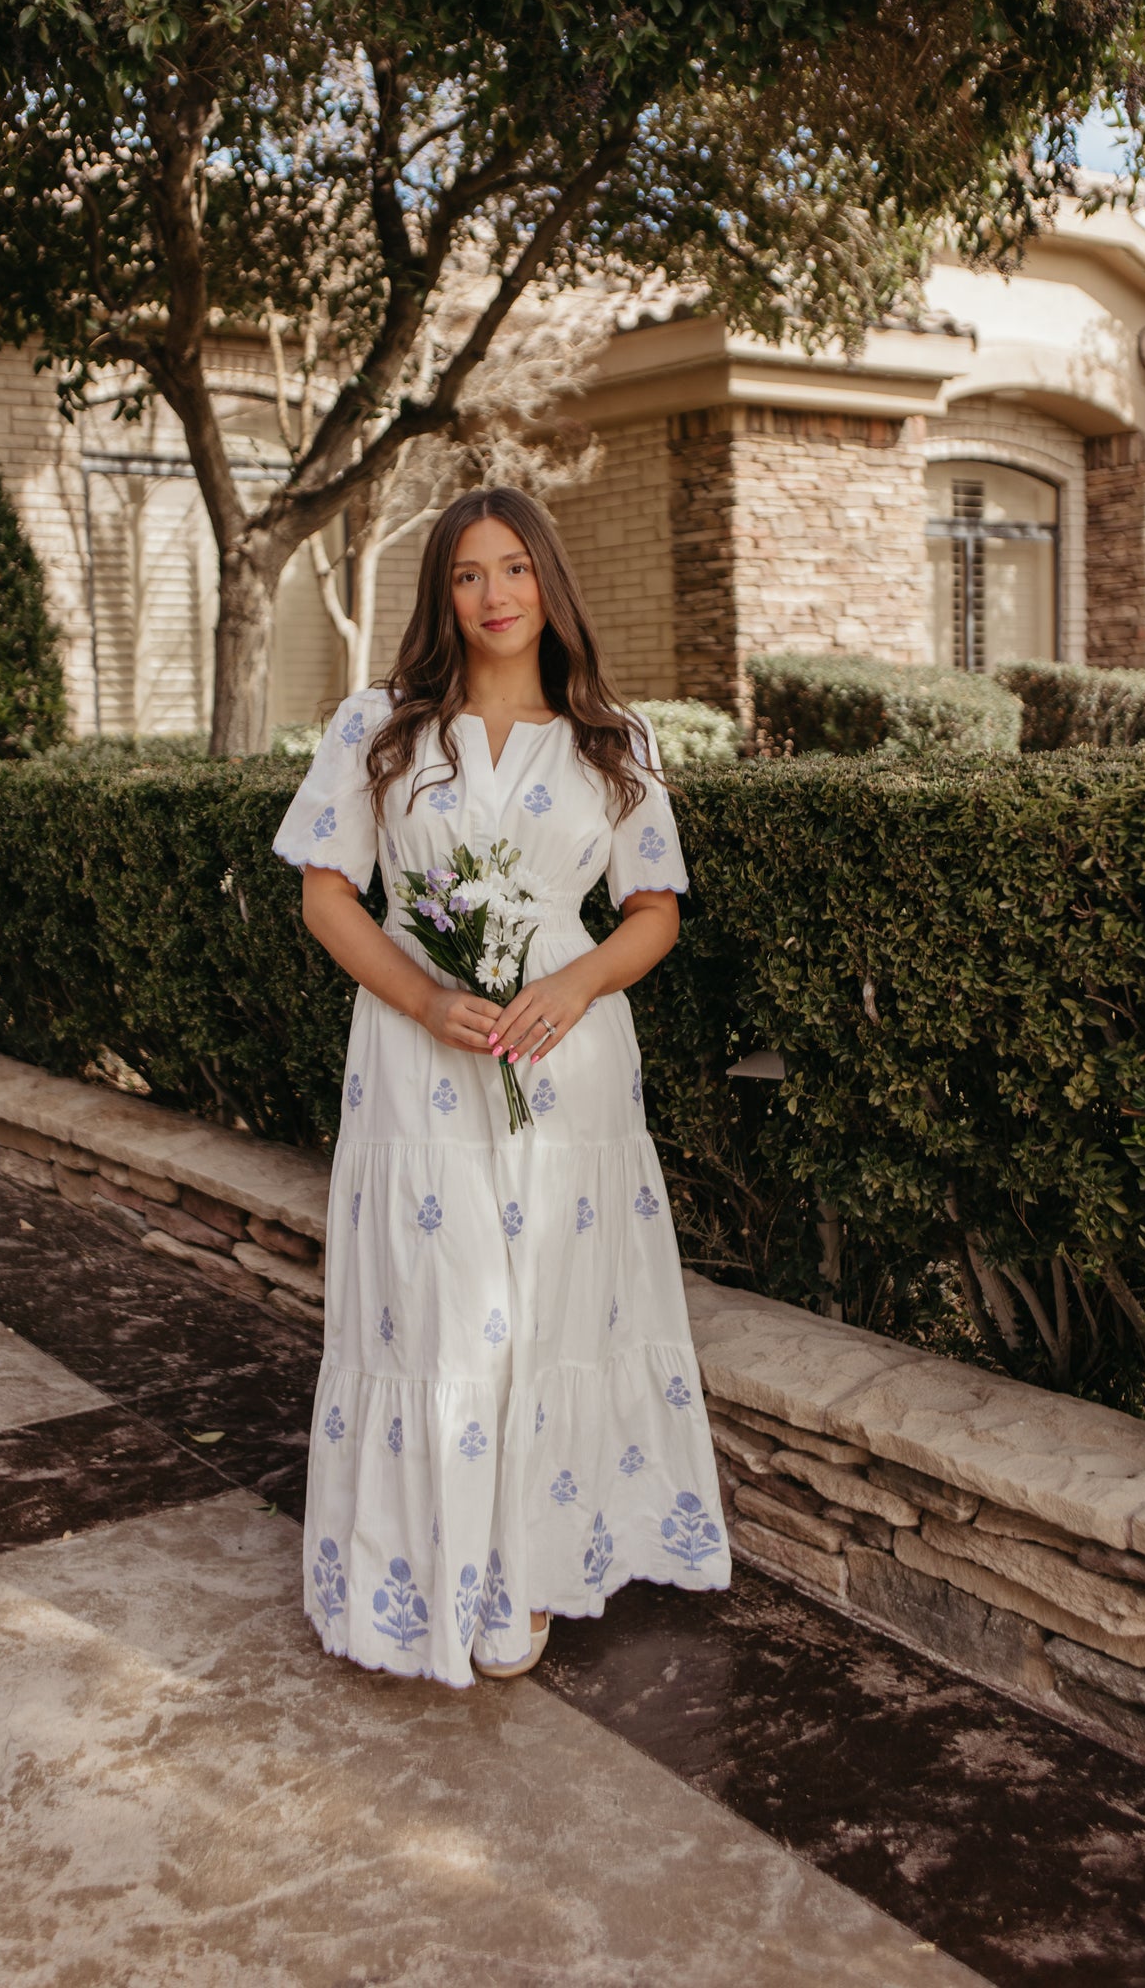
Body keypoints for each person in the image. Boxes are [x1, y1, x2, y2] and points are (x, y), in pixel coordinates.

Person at [272, 485, 730, 1687]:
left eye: (514, 568)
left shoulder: (612, 738)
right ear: (441, 592)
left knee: (546, 1310)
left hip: (565, 1064)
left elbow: (652, 913)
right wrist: (423, 998)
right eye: (468, 573)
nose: (493, 595)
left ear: (549, 582)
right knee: (431, 1309)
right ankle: (418, 1568)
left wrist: (572, 988)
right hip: (416, 1063)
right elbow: (328, 894)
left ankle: (523, 1567)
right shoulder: (379, 726)